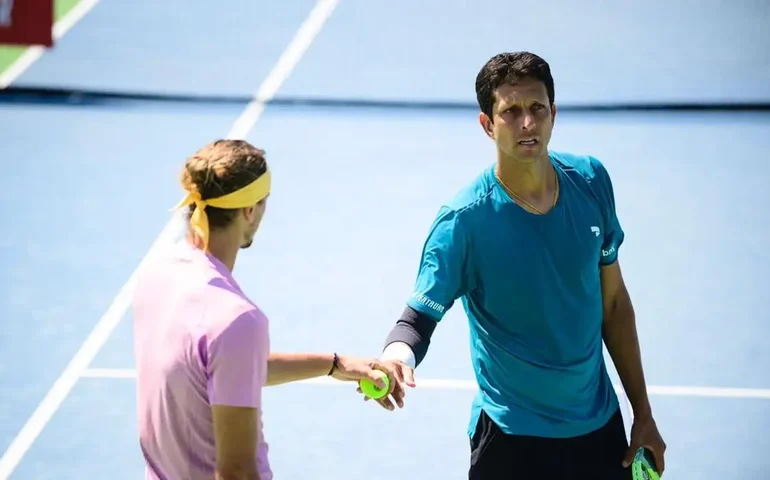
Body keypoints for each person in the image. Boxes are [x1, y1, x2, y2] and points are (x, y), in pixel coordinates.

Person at [369, 52, 667, 479]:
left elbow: (614, 304)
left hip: (599, 431)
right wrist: (396, 358)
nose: (527, 123)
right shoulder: (464, 221)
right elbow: (416, 321)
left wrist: (644, 413)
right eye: (511, 112)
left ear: (553, 113)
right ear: (487, 124)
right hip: (511, 442)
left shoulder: (591, 182)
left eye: (537, 109)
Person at [132, 139, 399, 480]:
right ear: (249, 211)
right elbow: (237, 472)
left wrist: (336, 364)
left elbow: (220, 368)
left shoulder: (157, 274)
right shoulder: (236, 319)